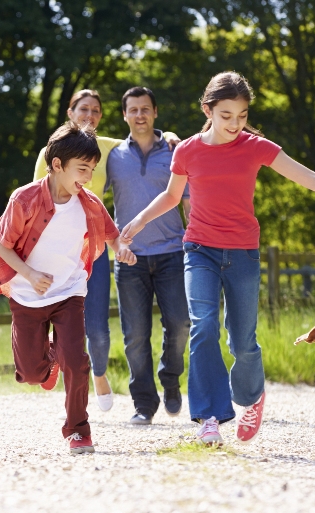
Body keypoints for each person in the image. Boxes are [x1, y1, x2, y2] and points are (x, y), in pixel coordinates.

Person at [119, 72, 315, 445]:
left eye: (242, 115)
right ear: (208, 110)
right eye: (227, 115)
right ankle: (209, 417)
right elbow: (172, 197)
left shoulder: (256, 147)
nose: (235, 124)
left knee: (243, 341)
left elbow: (313, 180)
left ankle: (251, 398)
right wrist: (137, 221)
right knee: (203, 327)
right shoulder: (186, 150)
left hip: (243, 253)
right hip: (198, 249)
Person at [0, 121, 137, 454]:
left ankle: (78, 429)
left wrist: (122, 250)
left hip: (69, 291)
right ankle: (49, 358)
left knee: (77, 360)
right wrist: (28, 273)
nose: (88, 176)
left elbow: (112, 236)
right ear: (57, 165)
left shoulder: (89, 203)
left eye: (92, 169)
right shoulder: (24, 199)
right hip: (27, 295)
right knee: (30, 373)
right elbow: (3, 246)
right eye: (82, 168)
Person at [32, 90, 179, 411]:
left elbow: (144, 139)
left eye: (96, 110)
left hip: (93, 250)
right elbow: (35, 200)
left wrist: (169, 135)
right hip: (56, 251)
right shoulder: (49, 153)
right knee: (50, 317)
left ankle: (98, 374)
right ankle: (53, 362)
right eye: (83, 109)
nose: (90, 115)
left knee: (98, 332)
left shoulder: (110, 148)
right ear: (70, 112)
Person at [105, 86, 191, 425]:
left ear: (155, 112)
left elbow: (189, 200)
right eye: (133, 110)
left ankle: (170, 379)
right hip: (129, 258)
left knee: (181, 324)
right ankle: (144, 404)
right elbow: (94, 200)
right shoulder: (112, 156)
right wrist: (114, 240)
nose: (139, 115)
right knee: (135, 336)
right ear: (124, 115)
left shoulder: (174, 150)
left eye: (145, 109)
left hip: (172, 252)